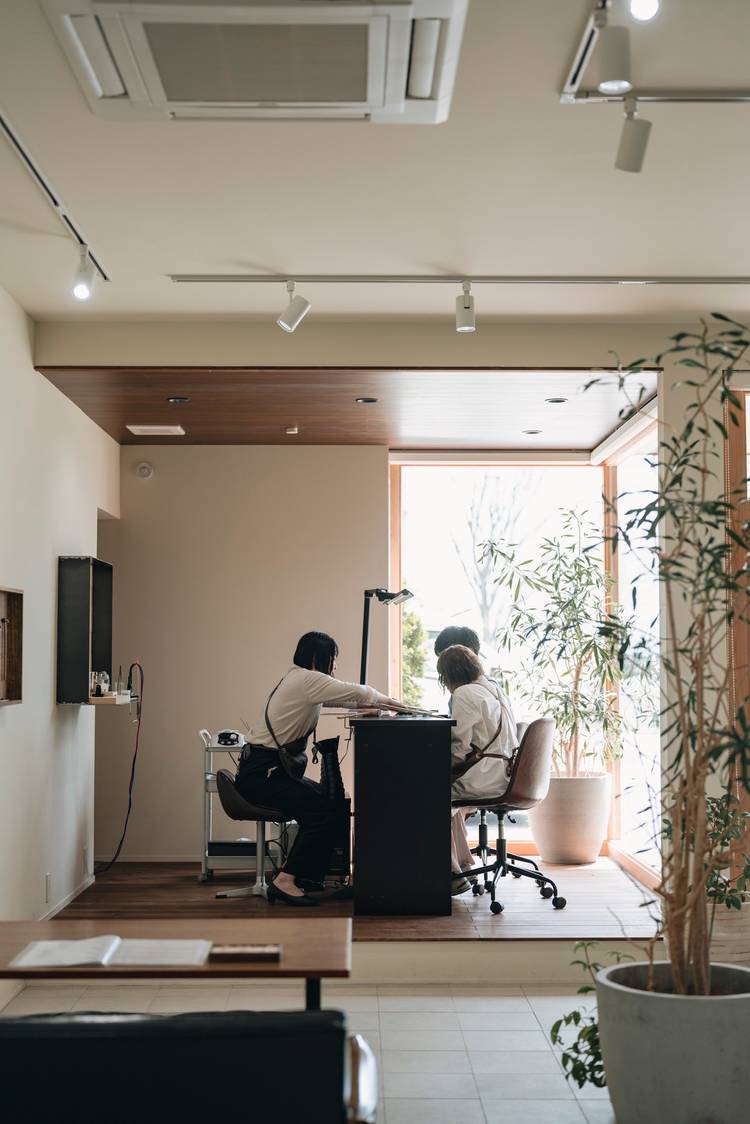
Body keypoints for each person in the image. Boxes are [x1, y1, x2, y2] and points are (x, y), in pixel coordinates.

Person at [237, 631, 402, 906]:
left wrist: (376, 703)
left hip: (262, 770)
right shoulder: (307, 679)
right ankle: (285, 881)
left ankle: (307, 876)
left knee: (333, 803)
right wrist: (394, 703)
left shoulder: (297, 678)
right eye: (332, 658)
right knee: (322, 809)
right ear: (317, 658)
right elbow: (359, 691)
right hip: (263, 776)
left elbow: (345, 699)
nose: (335, 665)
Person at [436, 643, 519, 895]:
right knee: (445, 795)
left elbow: (459, 747)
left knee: (432, 796)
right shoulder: (494, 689)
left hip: (484, 777)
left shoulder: (464, 694)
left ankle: (452, 873)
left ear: (448, 675)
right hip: (505, 774)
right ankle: (461, 866)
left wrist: (433, 767)